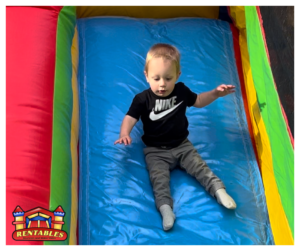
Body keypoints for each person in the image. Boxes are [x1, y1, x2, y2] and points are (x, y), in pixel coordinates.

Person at [114, 43, 237, 231]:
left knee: (201, 168)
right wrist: (124, 133)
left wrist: (215, 94)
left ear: (178, 76)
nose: (162, 84)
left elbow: (198, 101)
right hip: (155, 151)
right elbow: (130, 118)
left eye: (168, 78)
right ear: (146, 76)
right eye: (156, 78)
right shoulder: (142, 99)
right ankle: (166, 210)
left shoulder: (180, 91)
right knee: (159, 180)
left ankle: (219, 192)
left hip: (182, 145)